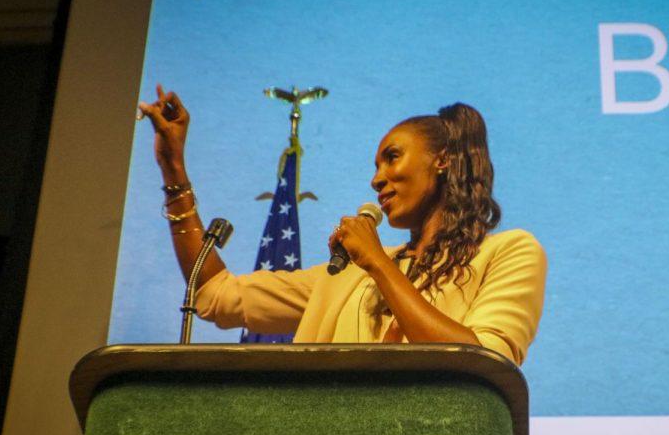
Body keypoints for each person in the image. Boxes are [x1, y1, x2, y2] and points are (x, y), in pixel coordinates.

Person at [139, 85, 547, 365]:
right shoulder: (347, 277)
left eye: (392, 157)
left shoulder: (508, 252)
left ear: (442, 160)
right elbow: (215, 294)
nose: (377, 178)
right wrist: (172, 169)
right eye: (375, 165)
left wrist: (377, 262)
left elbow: (484, 361)